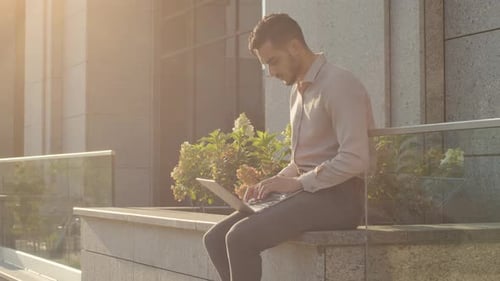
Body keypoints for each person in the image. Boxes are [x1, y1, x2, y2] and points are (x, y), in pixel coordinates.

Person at [203, 13, 375, 281]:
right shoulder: (297, 92)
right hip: (307, 195)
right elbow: (302, 161)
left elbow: (356, 158)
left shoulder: (340, 84)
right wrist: (273, 182)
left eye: (273, 61)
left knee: (240, 238)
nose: (271, 73)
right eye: (265, 66)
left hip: (340, 199)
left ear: (295, 47)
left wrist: (297, 184)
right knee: (214, 238)